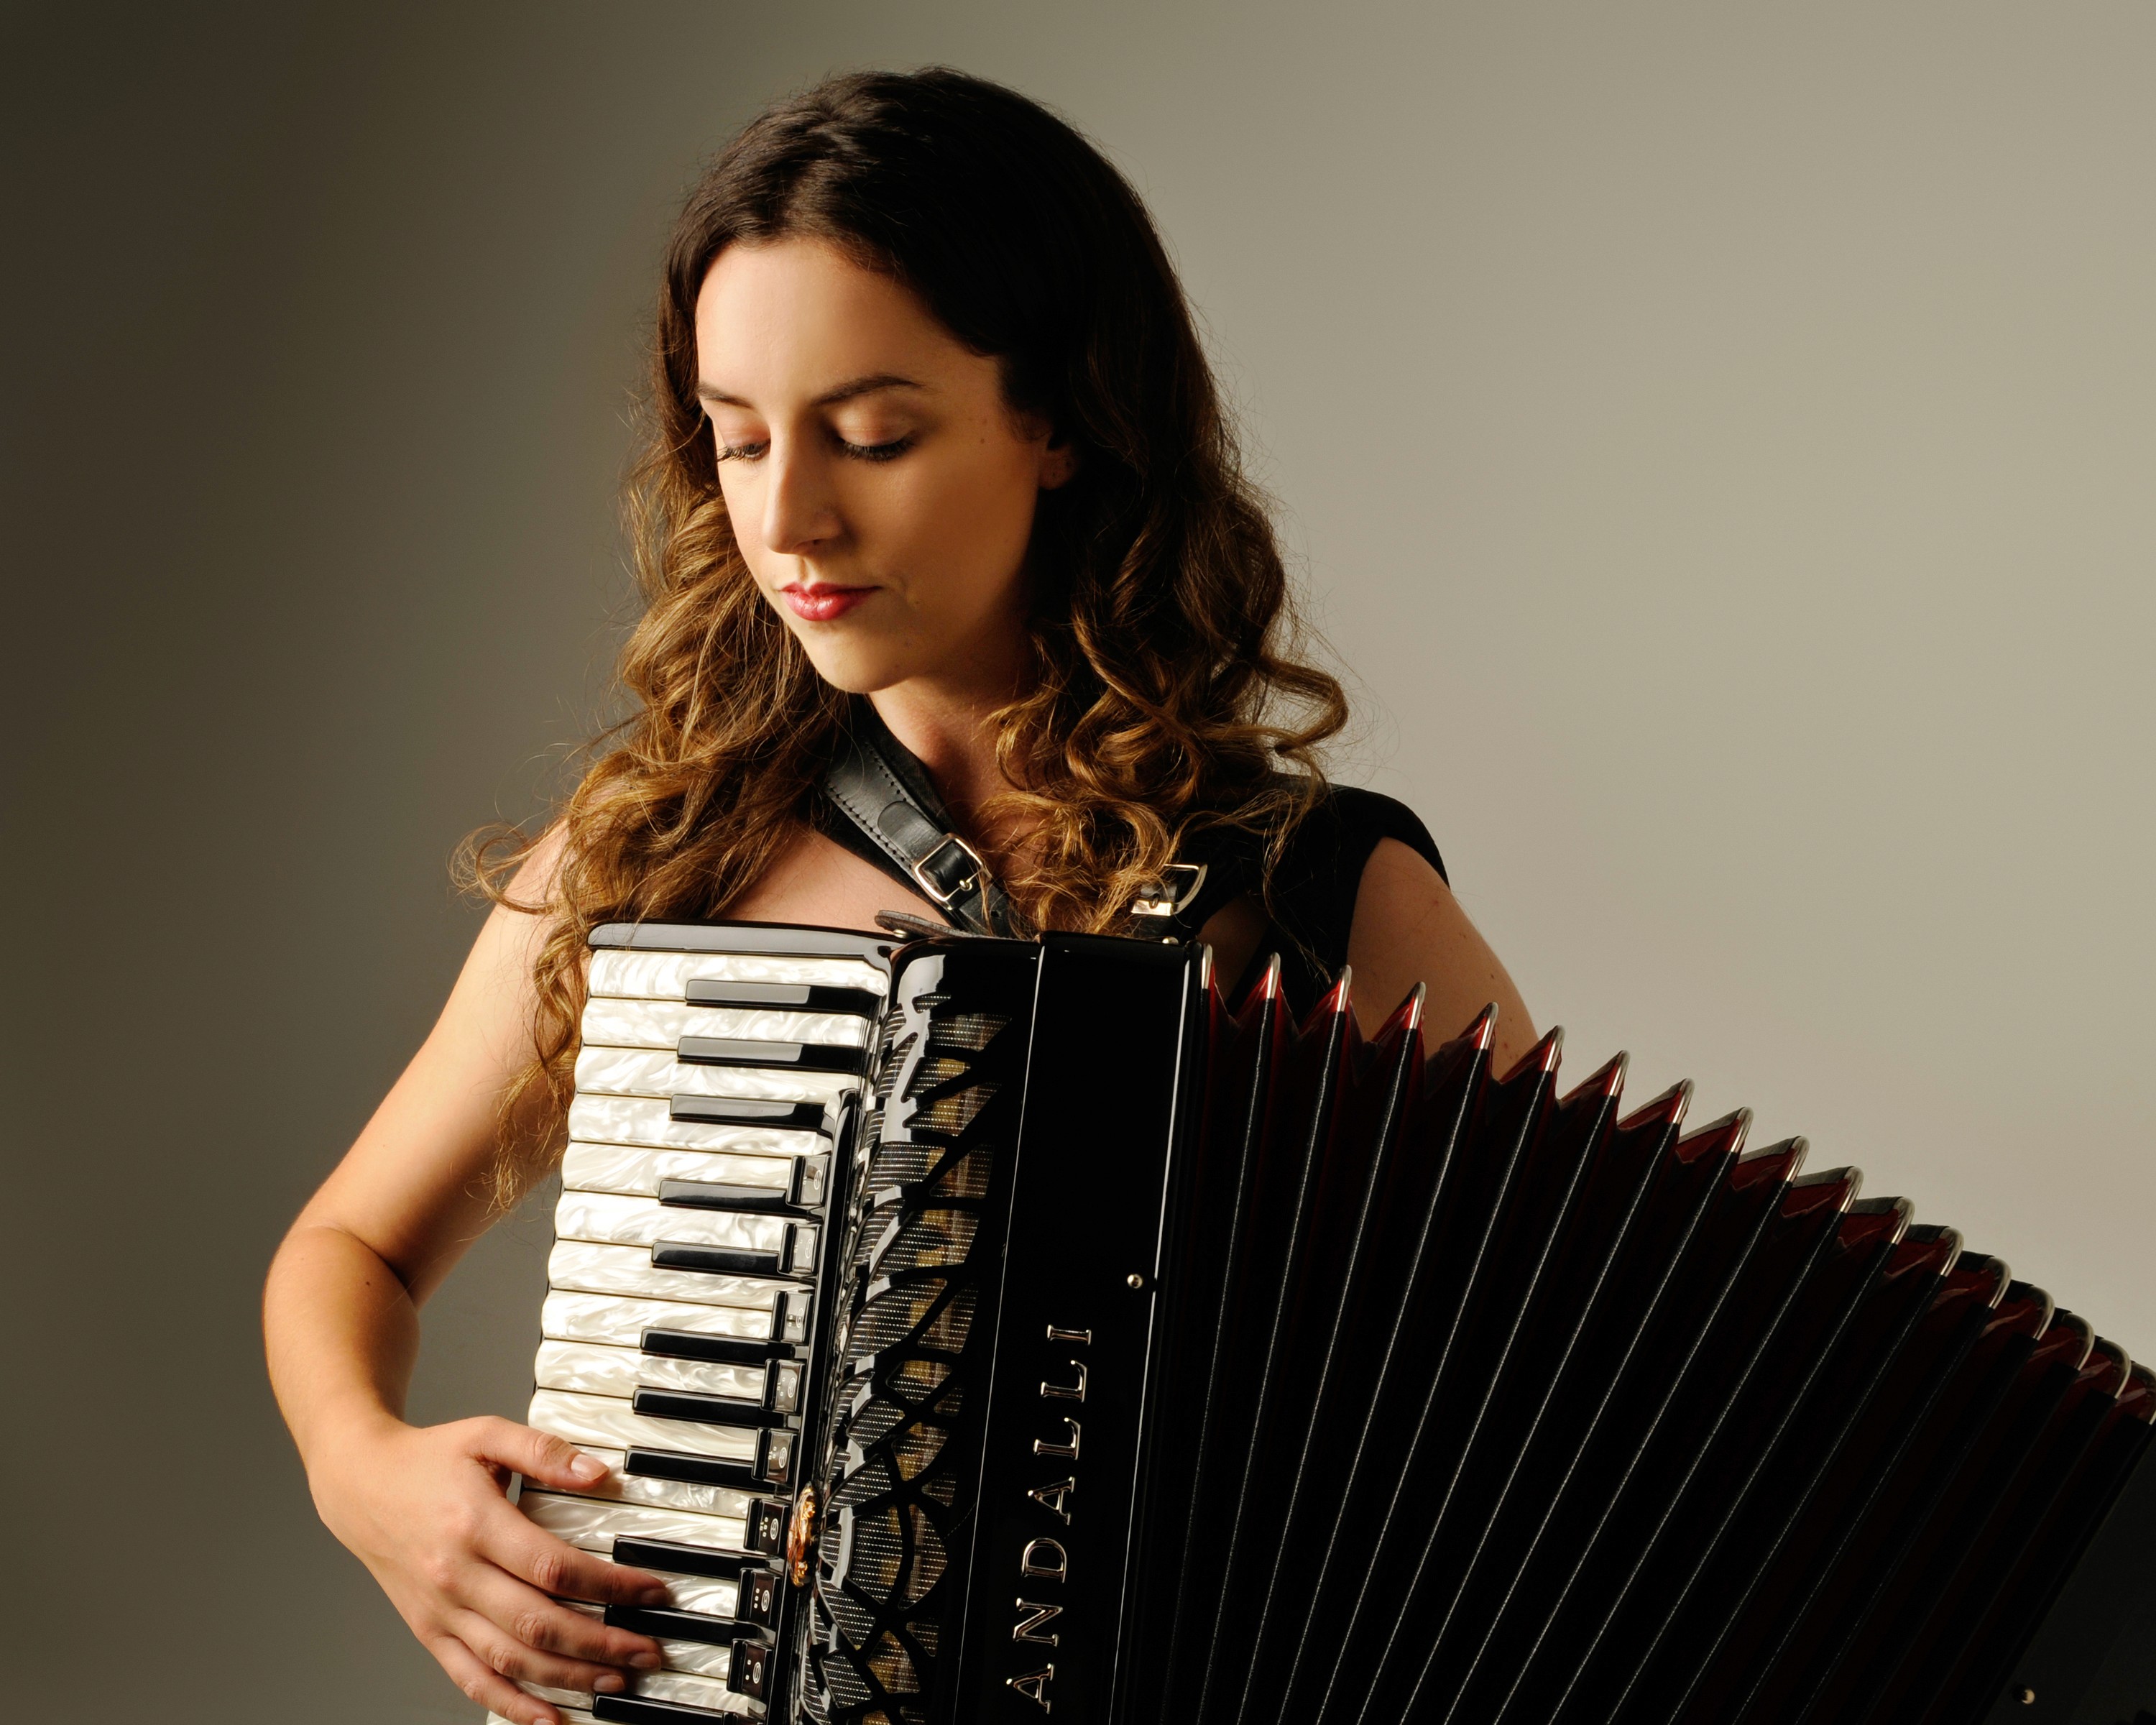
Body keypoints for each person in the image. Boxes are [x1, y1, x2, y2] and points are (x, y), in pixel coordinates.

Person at [262, 66, 1533, 1725]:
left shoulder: (1311, 897)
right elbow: (349, 1244)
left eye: (874, 434)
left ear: (1064, 419)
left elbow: (1567, 1391)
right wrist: (366, 1475)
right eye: (737, 440)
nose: (789, 516)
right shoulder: (666, 851)